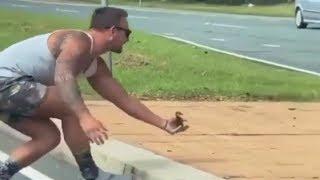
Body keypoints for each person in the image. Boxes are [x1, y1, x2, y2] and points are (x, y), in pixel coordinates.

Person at [0, 7, 188, 180]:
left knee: (48, 137)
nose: (128, 38)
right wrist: (84, 117)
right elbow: (63, 78)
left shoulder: (95, 65)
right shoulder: (77, 41)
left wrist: (163, 124)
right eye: (127, 32)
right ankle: (93, 175)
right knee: (69, 103)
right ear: (113, 31)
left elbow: (124, 99)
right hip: (5, 83)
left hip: (11, 92)